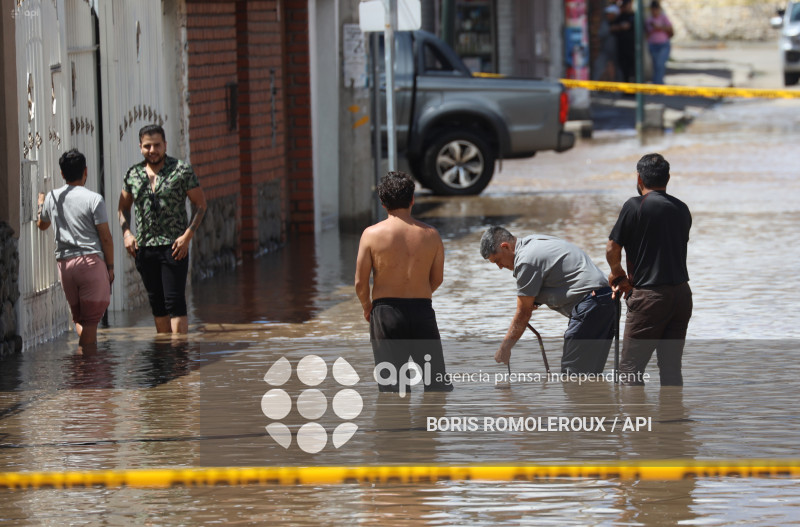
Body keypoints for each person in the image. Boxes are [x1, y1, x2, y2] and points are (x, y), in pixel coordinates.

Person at [354, 171, 452, 393]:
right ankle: (433, 425)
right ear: (412, 199)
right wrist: (419, 293)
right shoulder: (431, 235)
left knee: (393, 389)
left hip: (386, 314)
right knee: (437, 386)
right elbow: (437, 279)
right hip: (422, 313)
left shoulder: (370, 234)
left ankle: (396, 427)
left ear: (382, 203)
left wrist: (367, 307)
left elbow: (361, 283)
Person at [606, 153, 692, 386]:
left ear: (639, 178)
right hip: (682, 296)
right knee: (672, 369)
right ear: (668, 178)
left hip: (649, 298)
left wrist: (618, 275)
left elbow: (612, 247)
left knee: (630, 371)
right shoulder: (682, 209)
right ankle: (673, 419)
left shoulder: (635, 206)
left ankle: (636, 421)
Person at [480, 227, 615, 374]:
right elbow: (558, 274)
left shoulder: (525, 261)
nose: (500, 267)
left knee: (573, 377)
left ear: (505, 246)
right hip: (607, 300)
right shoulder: (534, 241)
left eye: (498, 260)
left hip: (590, 305)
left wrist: (504, 349)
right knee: (590, 375)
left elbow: (523, 313)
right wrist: (537, 300)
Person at [118, 124, 207, 334]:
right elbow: (122, 208)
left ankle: (179, 359)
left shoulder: (181, 170)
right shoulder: (133, 174)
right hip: (145, 248)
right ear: (140, 147)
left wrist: (187, 236)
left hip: (174, 246)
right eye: (147, 146)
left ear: (165, 145)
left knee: (175, 302)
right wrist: (127, 233)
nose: (153, 150)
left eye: (157, 145)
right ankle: (165, 356)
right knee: (157, 304)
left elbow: (201, 205)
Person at [37, 149, 114, 348]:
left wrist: (40, 205)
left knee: (79, 319)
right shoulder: (94, 199)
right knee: (90, 323)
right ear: (85, 171)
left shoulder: (52, 198)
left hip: (65, 266)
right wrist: (111, 266)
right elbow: (105, 237)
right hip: (90, 263)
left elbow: (42, 224)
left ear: (62, 174)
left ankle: (86, 366)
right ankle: (84, 370)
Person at [645, 1, 673, 84]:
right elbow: (647, 33)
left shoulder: (663, 18)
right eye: (653, 10)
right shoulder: (649, 20)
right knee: (655, 65)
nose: (654, 12)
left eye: (656, 9)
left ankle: (659, 83)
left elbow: (670, 29)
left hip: (663, 44)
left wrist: (659, 27)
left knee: (660, 64)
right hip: (653, 44)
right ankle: (656, 83)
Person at [593, 4, 621, 82]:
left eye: (610, 14)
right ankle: (594, 88)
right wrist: (611, 29)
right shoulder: (606, 24)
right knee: (598, 67)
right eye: (607, 14)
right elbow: (600, 34)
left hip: (618, 53)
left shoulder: (619, 22)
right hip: (605, 51)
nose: (608, 16)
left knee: (618, 71)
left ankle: (618, 91)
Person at [610, 0, 636, 83]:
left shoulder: (634, 16)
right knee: (624, 70)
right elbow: (612, 28)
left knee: (633, 71)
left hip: (633, 48)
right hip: (621, 48)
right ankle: (626, 90)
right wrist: (621, 27)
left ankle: (634, 91)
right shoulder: (620, 16)